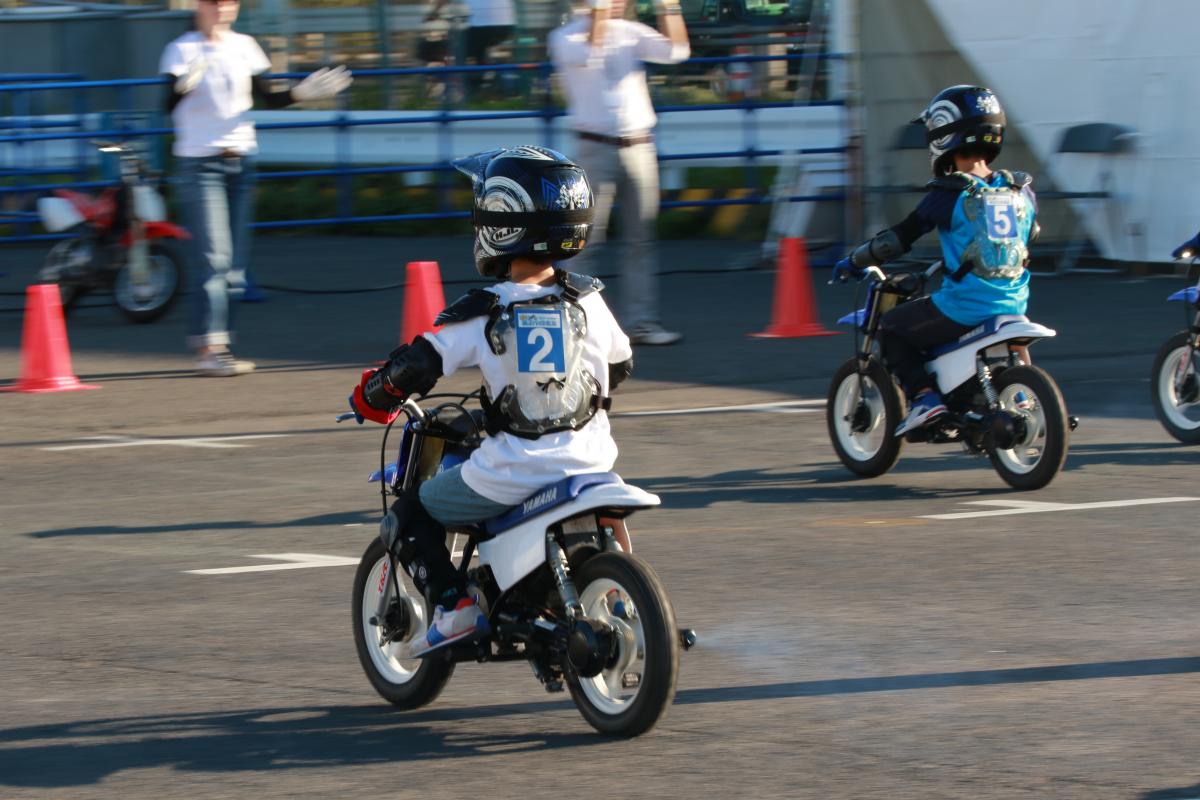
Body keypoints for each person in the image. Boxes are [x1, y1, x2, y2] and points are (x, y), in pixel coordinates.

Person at [349, 146, 634, 657]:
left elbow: (417, 366)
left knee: (411, 515)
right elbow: (619, 363)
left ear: (499, 222)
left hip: (516, 472)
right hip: (593, 462)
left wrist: (372, 394)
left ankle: (455, 605)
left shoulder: (484, 311)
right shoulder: (588, 297)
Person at [159, 0, 352, 377]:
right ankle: (211, 349)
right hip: (200, 162)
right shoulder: (181, 49)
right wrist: (183, 87)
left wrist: (301, 93)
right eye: (215, 2)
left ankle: (217, 343)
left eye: (230, 1)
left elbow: (267, 95)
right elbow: (166, 104)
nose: (223, 8)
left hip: (241, 159)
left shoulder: (244, 44)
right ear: (199, 6)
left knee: (233, 266)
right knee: (213, 257)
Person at [833, 85, 1038, 436]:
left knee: (894, 326)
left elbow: (898, 239)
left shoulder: (951, 191)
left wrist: (854, 259)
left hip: (966, 305)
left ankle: (925, 398)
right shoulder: (1019, 188)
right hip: (1015, 300)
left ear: (943, 133)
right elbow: (1028, 236)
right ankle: (1019, 401)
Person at [548, 0, 690, 346]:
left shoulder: (630, 32)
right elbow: (592, 54)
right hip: (595, 147)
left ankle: (641, 323)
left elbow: (677, 51)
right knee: (586, 239)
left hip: (639, 143)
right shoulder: (565, 37)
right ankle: (574, 325)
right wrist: (599, 12)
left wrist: (669, 7)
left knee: (641, 240)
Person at [425, 0, 515, 93]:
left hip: (482, 23)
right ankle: (484, 81)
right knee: (477, 51)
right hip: (505, 23)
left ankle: (472, 89)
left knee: (461, 52)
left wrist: (433, 13)